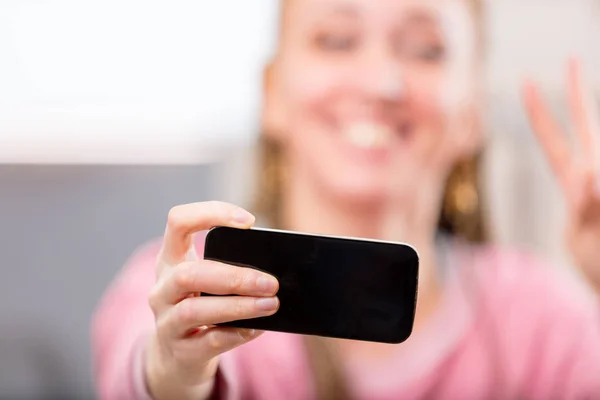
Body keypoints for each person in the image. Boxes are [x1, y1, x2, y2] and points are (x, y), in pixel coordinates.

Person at [92, 0, 600, 399]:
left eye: (426, 49)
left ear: (473, 114)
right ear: (273, 94)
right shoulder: (183, 288)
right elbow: (136, 374)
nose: (381, 82)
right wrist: (175, 370)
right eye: (336, 40)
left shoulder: (544, 320)